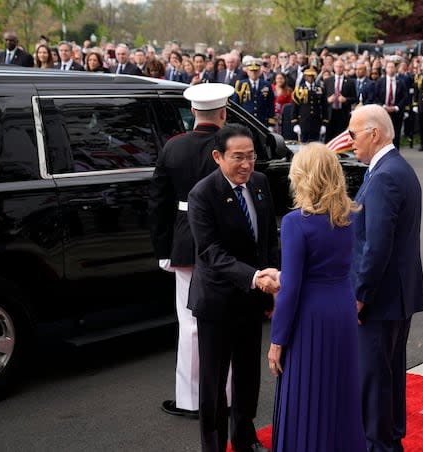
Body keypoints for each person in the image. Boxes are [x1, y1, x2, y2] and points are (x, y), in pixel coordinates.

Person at [267, 143, 366, 452]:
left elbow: (293, 287)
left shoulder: (297, 222)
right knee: (340, 392)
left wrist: (276, 341)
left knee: (304, 393)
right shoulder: (348, 216)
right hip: (341, 308)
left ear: (302, 176)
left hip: (310, 316)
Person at [187, 124, 280, 452]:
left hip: (253, 300)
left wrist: (274, 280)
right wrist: (255, 276)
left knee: (248, 375)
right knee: (213, 381)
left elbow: (268, 238)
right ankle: (212, 445)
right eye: (238, 158)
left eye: (251, 156)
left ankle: (244, 437)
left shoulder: (259, 183)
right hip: (217, 302)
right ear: (218, 156)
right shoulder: (203, 194)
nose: (246, 164)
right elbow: (210, 253)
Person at [149, 83, 236, 421]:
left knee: (189, 323)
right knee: (224, 320)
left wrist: (162, 248)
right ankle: (224, 397)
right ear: (223, 112)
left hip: (186, 241)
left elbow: (157, 202)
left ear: (193, 113)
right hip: (225, 240)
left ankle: (189, 400)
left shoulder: (173, 147)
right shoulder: (232, 146)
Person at [349, 105, 423, 452]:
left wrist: (360, 293)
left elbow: (376, 244)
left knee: (375, 381)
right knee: (389, 376)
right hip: (395, 294)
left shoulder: (384, 176)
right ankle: (390, 442)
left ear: (374, 133)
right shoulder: (394, 169)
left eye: (353, 134)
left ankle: (380, 446)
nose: (350, 142)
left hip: (380, 298)